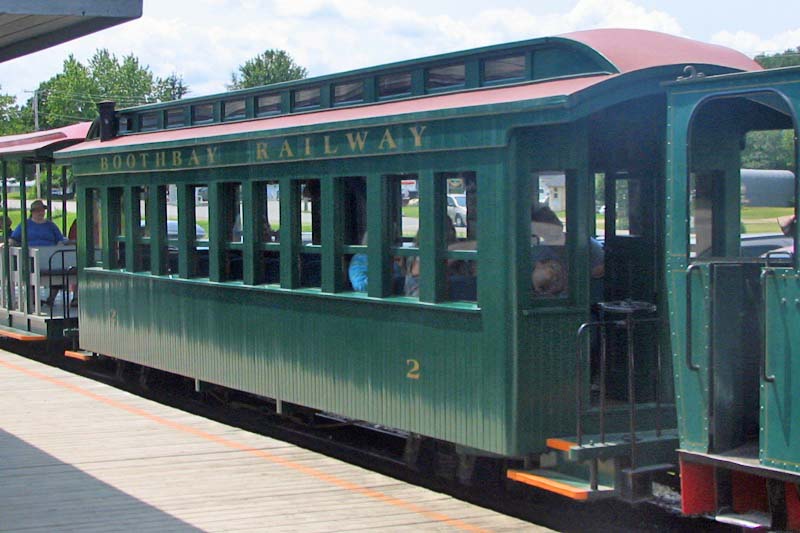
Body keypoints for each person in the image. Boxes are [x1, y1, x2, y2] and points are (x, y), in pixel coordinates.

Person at [10, 200, 69, 307]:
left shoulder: (50, 225)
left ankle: (51, 298)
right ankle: (33, 299)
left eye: (42, 210)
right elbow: (14, 238)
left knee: (60, 269)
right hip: (30, 257)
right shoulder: (25, 224)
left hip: (50, 256)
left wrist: (59, 245)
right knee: (30, 271)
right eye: (38, 211)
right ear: (32, 212)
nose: (41, 213)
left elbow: (60, 239)